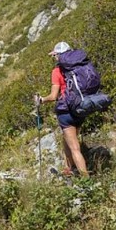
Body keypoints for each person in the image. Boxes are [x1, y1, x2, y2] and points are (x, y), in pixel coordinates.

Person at [36, 41, 89, 178]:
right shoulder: (78, 67)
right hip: (80, 108)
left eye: (55, 55)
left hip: (65, 111)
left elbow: (53, 96)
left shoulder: (57, 71)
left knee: (75, 148)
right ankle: (68, 168)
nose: (54, 58)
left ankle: (86, 181)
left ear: (59, 56)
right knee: (67, 138)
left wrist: (41, 100)